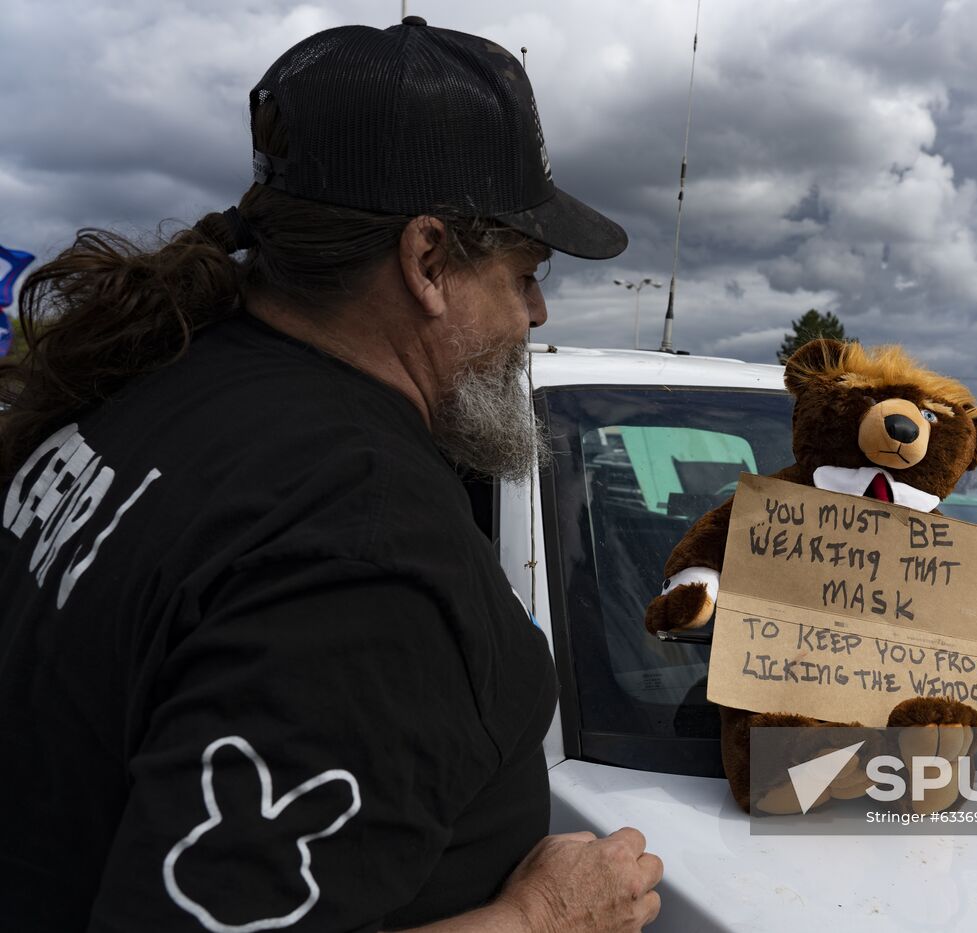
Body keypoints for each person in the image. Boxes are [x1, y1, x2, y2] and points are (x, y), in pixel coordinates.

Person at [0, 18, 662, 932]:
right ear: (428, 261)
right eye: (526, 270)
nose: (537, 312)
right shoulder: (365, 559)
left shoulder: (149, 387)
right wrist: (547, 914)